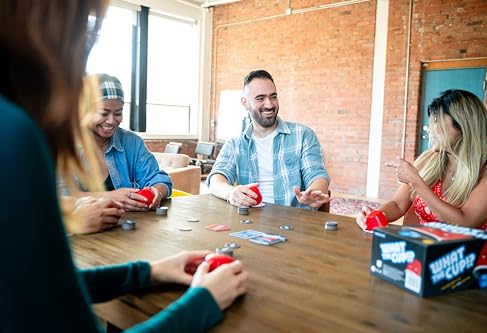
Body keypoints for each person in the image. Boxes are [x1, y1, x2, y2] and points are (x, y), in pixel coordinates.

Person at [0, 1, 247, 332]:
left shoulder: (21, 129)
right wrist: (204, 302)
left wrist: (146, 272)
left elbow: (47, 285)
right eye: (86, 31)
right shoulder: (15, 134)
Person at [357, 89, 487, 232]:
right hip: (417, 246)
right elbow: (397, 204)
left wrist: (416, 182)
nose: (430, 129)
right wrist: (375, 216)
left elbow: (464, 222)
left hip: (462, 252)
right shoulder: (429, 158)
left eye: (437, 122)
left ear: (463, 126)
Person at [208, 70, 331, 209]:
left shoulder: (303, 135)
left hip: (294, 222)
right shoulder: (235, 143)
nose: (269, 105)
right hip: (249, 221)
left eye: (273, 97)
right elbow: (216, 179)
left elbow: (317, 174)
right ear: (245, 103)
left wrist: (314, 193)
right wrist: (230, 192)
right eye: (260, 98)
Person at [68, 73, 172, 212]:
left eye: (118, 113)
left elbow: (158, 178)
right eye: (103, 113)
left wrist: (157, 191)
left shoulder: (132, 143)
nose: (111, 121)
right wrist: (110, 196)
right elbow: (58, 197)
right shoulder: (65, 144)